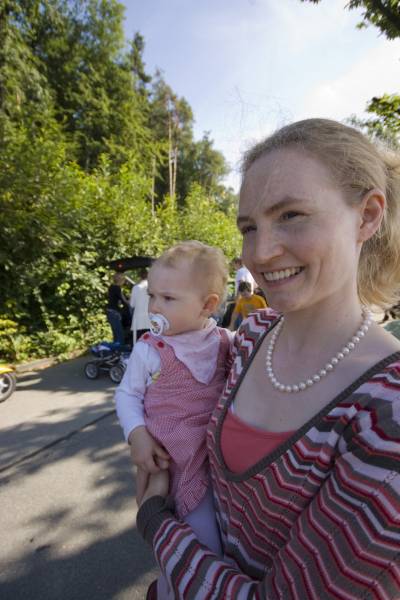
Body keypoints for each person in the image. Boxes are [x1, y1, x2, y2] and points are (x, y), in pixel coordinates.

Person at [135, 118, 400, 599]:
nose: (260, 251)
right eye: (249, 227)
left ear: (367, 216)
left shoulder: (387, 412)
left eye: (292, 215)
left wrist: (156, 522)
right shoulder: (251, 337)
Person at [115, 241, 233, 599]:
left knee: (223, 540)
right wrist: (137, 434)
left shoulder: (224, 341)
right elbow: (127, 394)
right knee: (197, 549)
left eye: (168, 299)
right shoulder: (150, 348)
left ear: (208, 305)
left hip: (214, 462)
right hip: (169, 462)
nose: (154, 307)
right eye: (153, 296)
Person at [106, 272, 130, 345]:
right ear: (120, 280)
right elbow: (124, 301)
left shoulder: (111, 287)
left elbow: (116, 300)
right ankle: (120, 351)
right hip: (114, 313)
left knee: (116, 335)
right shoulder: (117, 288)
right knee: (120, 336)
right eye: (123, 279)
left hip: (109, 312)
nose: (124, 281)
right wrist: (132, 301)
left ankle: (116, 352)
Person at [130, 268, 151, 343]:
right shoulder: (153, 287)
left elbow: (132, 304)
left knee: (139, 342)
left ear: (140, 276)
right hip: (151, 319)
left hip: (138, 321)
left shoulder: (136, 288)